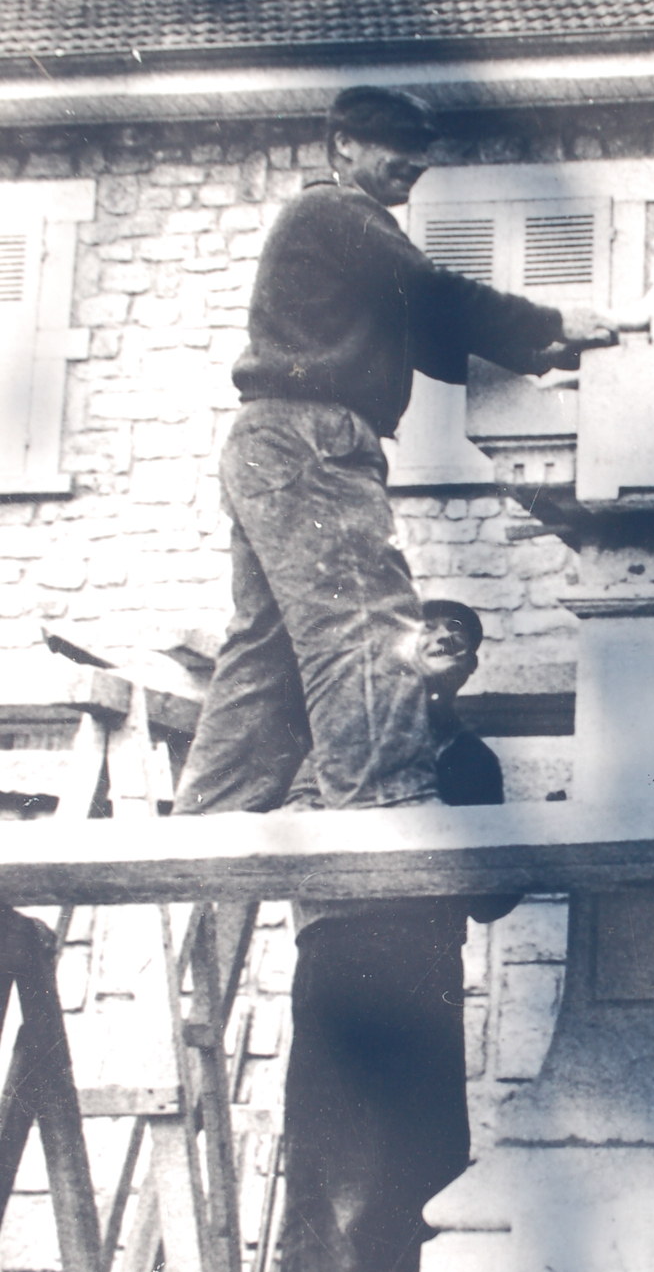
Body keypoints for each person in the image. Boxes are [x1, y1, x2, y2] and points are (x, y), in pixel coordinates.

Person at [174, 84, 613, 818]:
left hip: (272, 441)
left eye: (422, 152)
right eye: (395, 145)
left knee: (270, 651)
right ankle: (384, 808)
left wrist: (547, 351)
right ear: (343, 143)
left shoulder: (338, 243)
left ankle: (214, 813)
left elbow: (433, 339)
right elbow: (436, 295)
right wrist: (557, 316)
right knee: (368, 622)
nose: (415, 163)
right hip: (317, 439)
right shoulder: (337, 211)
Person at [277, 598, 523, 1272]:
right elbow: (294, 832)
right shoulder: (342, 736)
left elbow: (493, 894)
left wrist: (492, 840)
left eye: (463, 640)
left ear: (471, 668)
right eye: (431, 634)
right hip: (345, 957)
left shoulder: (472, 760)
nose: (445, 646)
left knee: (422, 1167)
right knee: (340, 1168)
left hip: (425, 964)